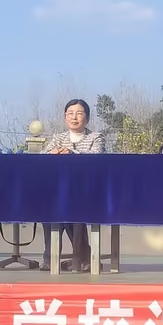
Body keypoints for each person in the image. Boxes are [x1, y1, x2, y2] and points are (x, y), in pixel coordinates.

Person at [41, 98, 106, 271]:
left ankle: (81, 257)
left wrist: (72, 152)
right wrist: (52, 153)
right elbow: (42, 155)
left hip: (87, 190)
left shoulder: (95, 137)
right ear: (65, 118)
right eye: (70, 114)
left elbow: (96, 156)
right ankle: (50, 258)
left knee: (75, 209)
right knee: (49, 208)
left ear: (87, 118)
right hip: (60, 191)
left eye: (79, 113)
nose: (74, 117)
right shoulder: (58, 138)